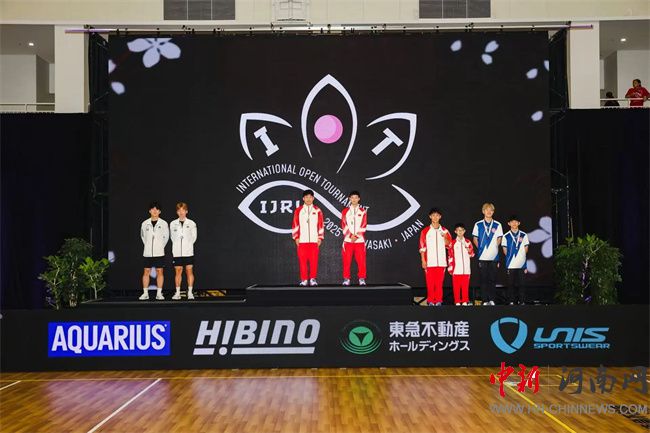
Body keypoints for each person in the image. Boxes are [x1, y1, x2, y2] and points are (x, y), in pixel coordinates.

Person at [419, 208, 452, 306]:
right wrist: (423, 260)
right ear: (430, 217)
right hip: (429, 261)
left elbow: (449, 245)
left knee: (439, 283)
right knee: (430, 283)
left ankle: (438, 301)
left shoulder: (445, 231)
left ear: (440, 217)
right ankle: (430, 301)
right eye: (433, 215)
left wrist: (445, 237)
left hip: (441, 261)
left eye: (437, 215)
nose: (435, 217)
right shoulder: (425, 231)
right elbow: (422, 247)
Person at [472, 203, 503, 306]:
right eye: (487, 210)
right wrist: (481, 248)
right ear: (483, 211)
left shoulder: (498, 225)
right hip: (482, 256)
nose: (489, 212)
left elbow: (499, 238)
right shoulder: (478, 224)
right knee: (483, 279)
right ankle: (485, 300)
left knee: (492, 279)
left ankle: (492, 299)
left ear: (493, 212)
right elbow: (475, 238)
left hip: (494, 257)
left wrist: (493, 248)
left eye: (491, 210)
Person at [292, 189, 324, 286]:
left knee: (314, 261)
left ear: (313, 198)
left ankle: (313, 279)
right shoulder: (298, 210)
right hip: (302, 240)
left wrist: (320, 237)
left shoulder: (317, 210)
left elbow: (321, 225)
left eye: (310, 197)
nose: (308, 199)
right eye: (306, 197)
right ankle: (304, 280)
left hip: (314, 240)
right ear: (303, 198)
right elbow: (295, 224)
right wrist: (296, 237)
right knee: (302, 261)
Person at [139, 202, 169, 300]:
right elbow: (143, 237)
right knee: (146, 272)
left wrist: (159, 246)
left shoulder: (164, 223)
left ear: (160, 211)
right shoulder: (144, 223)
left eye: (157, 209)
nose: (155, 211)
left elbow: (166, 237)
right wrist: (148, 246)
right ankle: (145, 293)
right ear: (149, 211)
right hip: (147, 252)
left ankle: (159, 293)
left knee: (160, 272)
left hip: (159, 252)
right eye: (153, 209)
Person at [170, 202, 198, 300]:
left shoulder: (191, 223)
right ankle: (177, 293)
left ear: (186, 211)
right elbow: (172, 237)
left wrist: (187, 245)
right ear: (177, 212)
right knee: (178, 272)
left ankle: (190, 293)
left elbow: (194, 237)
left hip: (188, 252)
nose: (181, 212)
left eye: (183, 210)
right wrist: (177, 246)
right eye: (179, 210)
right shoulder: (172, 223)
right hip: (177, 252)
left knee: (189, 271)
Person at [501, 215, 530, 305]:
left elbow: (526, 248)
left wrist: (520, 257)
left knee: (522, 284)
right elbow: (505, 250)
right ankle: (511, 301)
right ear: (509, 223)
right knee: (510, 284)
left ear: (519, 223)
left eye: (516, 222)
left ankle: (522, 301)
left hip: (522, 264)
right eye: (512, 222)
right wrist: (511, 258)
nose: (514, 223)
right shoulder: (505, 236)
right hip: (510, 264)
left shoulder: (524, 235)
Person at [341, 191, 367, 286]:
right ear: (349, 199)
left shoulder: (363, 211)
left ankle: (362, 279)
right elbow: (344, 224)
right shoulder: (345, 211)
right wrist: (350, 235)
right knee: (346, 261)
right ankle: (346, 279)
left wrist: (356, 236)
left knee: (361, 261)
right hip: (348, 241)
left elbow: (364, 225)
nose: (354, 199)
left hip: (359, 241)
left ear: (359, 199)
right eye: (352, 197)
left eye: (356, 197)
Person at [447, 223, 475, 306]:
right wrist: (451, 268)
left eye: (461, 230)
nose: (460, 232)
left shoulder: (468, 242)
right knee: (456, 287)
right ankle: (457, 301)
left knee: (465, 286)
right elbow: (450, 256)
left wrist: (469, 250)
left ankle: (465, 301)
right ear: (455, 231)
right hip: (456, 269)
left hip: (466, 269)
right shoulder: (452, 243)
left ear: (464, 231)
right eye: (458, 230)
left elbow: (472, 254)